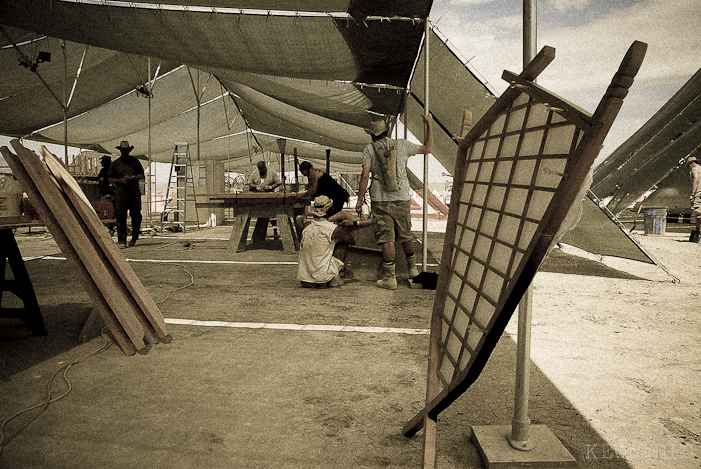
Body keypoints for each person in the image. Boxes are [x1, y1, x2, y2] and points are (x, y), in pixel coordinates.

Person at [355, 114, 433, 289]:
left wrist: (359, 200)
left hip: (380, 200)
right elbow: (428, 148)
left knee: (386, 238)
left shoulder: (369, 149)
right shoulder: (402, 145)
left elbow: (365, 175)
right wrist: (429, 125)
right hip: (402, 198)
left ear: (372, 135)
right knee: (406, 234)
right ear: (387, 132)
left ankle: (390, 279)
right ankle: (413, 270)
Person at [297, 195, 360, 288]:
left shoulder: (307, 226)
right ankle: (333, 276)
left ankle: (314, 276)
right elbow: (351, 241)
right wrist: (346, 229)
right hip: (321, 279)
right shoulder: (334, 229)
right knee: (343, 245)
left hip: (304, 279)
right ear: (330, 210)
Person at [108, 141, 145, 248]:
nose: (125, 152)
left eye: (126, 150)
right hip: (121, 193)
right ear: (120, 151)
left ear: (129, 151)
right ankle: (122, 240)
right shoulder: (115, 164)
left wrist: (132, 177)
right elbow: (110, 179)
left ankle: (134, 237)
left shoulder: (135, 161)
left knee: (136, 215)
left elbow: (142, 175)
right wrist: (120, 181)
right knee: (121, 216)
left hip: (134, 193)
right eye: (123, 150)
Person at [686, 155, 701, 242]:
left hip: (699, 194)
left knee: (698, 215)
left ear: (691, 164)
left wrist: (692, 194)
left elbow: (696, 179)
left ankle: (697, 235)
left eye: (688, 166)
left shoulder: (694, 170)